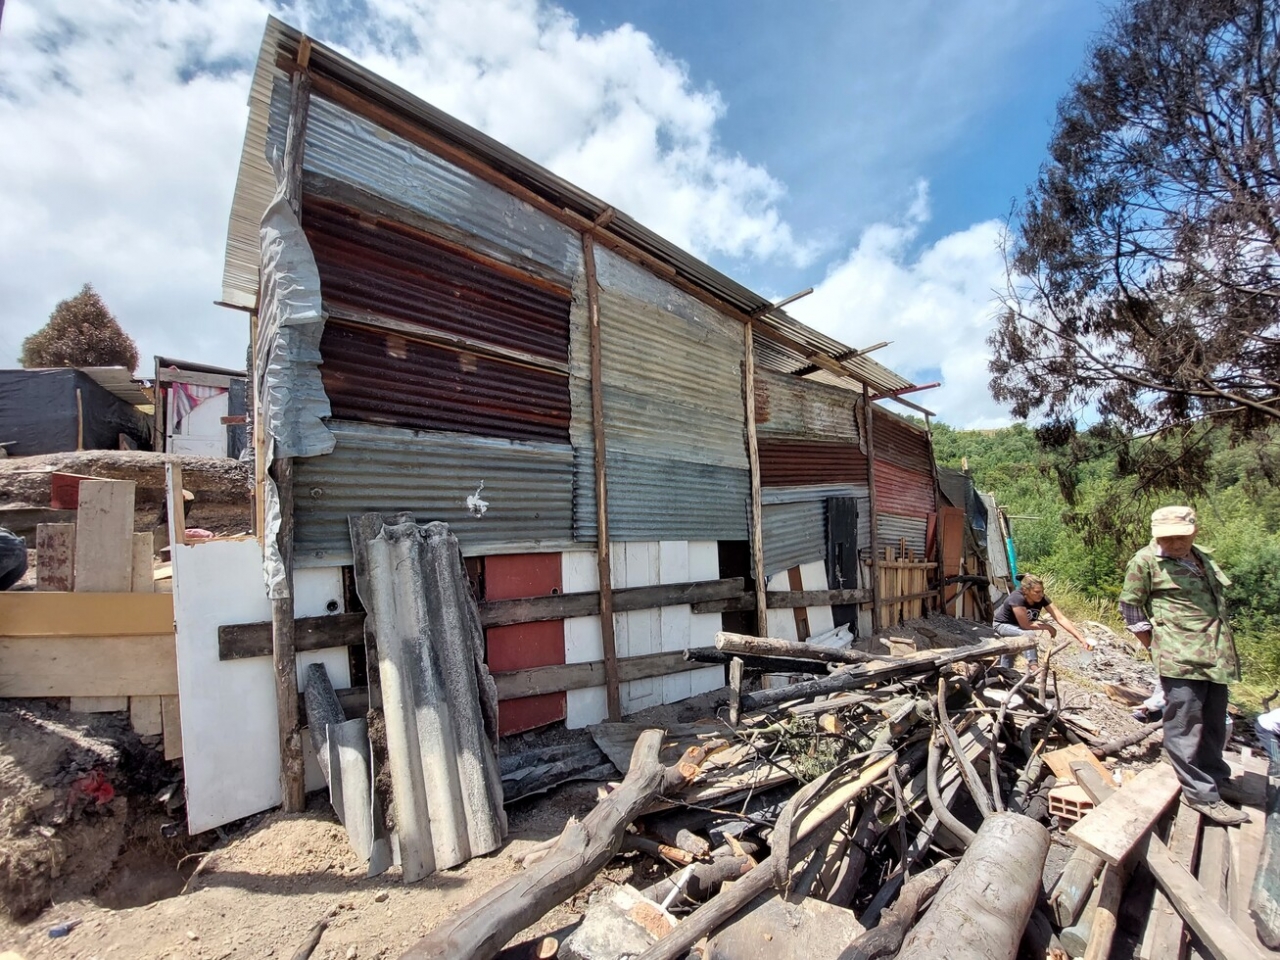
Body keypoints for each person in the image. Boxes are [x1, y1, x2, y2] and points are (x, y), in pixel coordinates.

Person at [1118, 506, 1248, 826]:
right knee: (1185, 723)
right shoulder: (1145, 562)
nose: (1174, 542)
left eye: (1180, 535)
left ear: (1194, 532)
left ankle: (1216, 778)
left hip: (1214, 654)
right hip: (1178, 655)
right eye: (1167, 536)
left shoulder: (1201, 556)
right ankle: (1200, 793)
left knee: (1215, 720)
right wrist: (1155, 646)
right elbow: (1130, 607)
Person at [993, 573, 1092, 669]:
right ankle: (1033, 665)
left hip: (1018, 628)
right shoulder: (1017, 598)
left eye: (1042, 591)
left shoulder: (1041, 598)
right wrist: (1048, 627)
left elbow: (1060, 618)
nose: (1041, 595)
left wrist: (1081, 639)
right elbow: (1025, 625)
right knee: (1029, 634)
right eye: (1037, 592)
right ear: (1025, 590)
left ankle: (1005, 672)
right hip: (1002, 625)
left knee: (1010, 654)